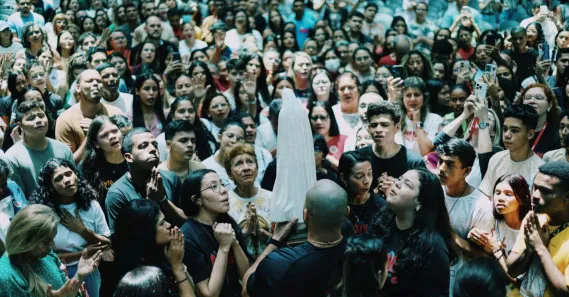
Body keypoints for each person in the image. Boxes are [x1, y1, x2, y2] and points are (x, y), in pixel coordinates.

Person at [243, 179, 348, 297]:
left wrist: (274, 241)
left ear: (306, 215)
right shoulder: (360, 252)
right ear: (347, 212)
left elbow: (246, 291)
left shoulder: (281, 263)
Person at [29, 158, 111, 297]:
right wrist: (82, 253)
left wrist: (82, 230)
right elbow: (46, 256)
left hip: (90, 271)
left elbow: (106, 244)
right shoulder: (44, 213)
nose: (67, 180)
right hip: (58, 272)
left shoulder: (91, 205)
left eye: (68, 174)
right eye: (58, 178)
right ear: (50, 186)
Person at [370, 169, 458, 296]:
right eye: (399, 179)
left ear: (420, 203)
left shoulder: (432, 248)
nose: (397, 184)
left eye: (407, 184)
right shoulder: (383, 218)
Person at [0, 204, 102, 297]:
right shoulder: (7, 277)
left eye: (53, 239)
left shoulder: (46, 256)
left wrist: (79, 275)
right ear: (26, 240)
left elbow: (67, 293)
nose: (52, 246)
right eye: (46, 241)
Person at [179, 169, 251, 297]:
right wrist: (224, 248)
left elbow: (247, 277)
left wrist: (234, 243)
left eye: (222, 184)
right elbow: (210, 294)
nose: (223, 190)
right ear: (197, 200)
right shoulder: (188, 237)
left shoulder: (227, 220)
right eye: (214, 187)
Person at [435, 138, 494, 288]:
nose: (441, 168)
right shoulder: (433, 191)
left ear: (466, 171)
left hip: (458, 282)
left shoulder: (481, 206)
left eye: (450, 164)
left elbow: (484, 258)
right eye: (440, 161)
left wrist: (449, 232)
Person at [105, 128, 187, 232]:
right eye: (143, 146)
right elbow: (120, 241)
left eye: (155, 145)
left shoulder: (171, 178)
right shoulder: (117, 194)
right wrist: (150, 203)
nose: (153, 149)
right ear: (129, 157)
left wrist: (162, 200)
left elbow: (187, 223)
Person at [507, 162, 569, 297]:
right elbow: (512, 270)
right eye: (534, 187)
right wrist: (529, 249)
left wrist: (540, 248)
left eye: (545, 191)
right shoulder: (535, 219)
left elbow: (564, 293)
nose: (534, 195)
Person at [113, 200, 195, 297]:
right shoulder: (139, 278)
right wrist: (177, 267)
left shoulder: (164, 253)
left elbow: (191, 289)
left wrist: (178, 263)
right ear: (145, 233)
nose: (168, 225)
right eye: (162, 223)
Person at [4, 100, 74, 197]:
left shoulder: (63, 149)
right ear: (20, 126)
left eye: (41, 116)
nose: (38, 120)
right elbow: (19, 199)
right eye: (31, 118)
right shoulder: (11, 158)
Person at [55, 69, 124, 163]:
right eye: (89, 81)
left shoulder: (116, 113)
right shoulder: (65, 120)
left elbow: (127, 150)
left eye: (99, 81)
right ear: (78, 88)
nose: (95, 84)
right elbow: (68, 163)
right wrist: (91, 135)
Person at [359, 101, 425, 192]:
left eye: (384, 125)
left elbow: (423, 197)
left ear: (397, 127)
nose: (378, 130)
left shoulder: (414, 162)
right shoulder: (358, 158)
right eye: (374, 125)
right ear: (369, 129)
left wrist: (397, 189)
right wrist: (375, 192)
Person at [479, 104, 544, 197]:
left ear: (530, 134)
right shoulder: (496, 158)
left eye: (514, 130)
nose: (506, 135)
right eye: (505, 129)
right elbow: (485, 197)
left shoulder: (539, 169)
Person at [225, 143, 272, 258]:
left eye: (250, 162)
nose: (246, 168)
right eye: (238, 164)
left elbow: (281, 237)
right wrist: (245, 233)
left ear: (257, 168)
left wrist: (262, 233)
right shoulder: (225, 202)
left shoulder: (272, 198)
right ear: (230, 174)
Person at [80, 116, 128, 207]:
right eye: (104, 135)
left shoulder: (133, 159)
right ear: (96, 144)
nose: (112, 136)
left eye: (115, 131)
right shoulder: (88, 168)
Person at [339, 151, 386, 235]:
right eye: (359, 176)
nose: (367, 181)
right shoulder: (337, 206)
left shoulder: (380, 206)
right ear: (343, 178)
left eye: (369, 174)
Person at [398, 76, 443, 156]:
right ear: (402, 98)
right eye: (408, 95)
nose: (412, 99)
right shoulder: (396, 119)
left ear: (424, 97)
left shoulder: (435, 119)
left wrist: (418, 123)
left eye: (417, 95)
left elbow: (425, 151)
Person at [515, 83, 560, 157]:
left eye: (538, 98)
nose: (532, 101)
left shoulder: (556, 134)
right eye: (528, 98)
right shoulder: (514, 128)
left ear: (549, 105)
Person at [203, 121, 246, 190]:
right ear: (219, 137)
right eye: (230, 136)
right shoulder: (205, 166)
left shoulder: (246, 165)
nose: (234, 141)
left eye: (239, 139)